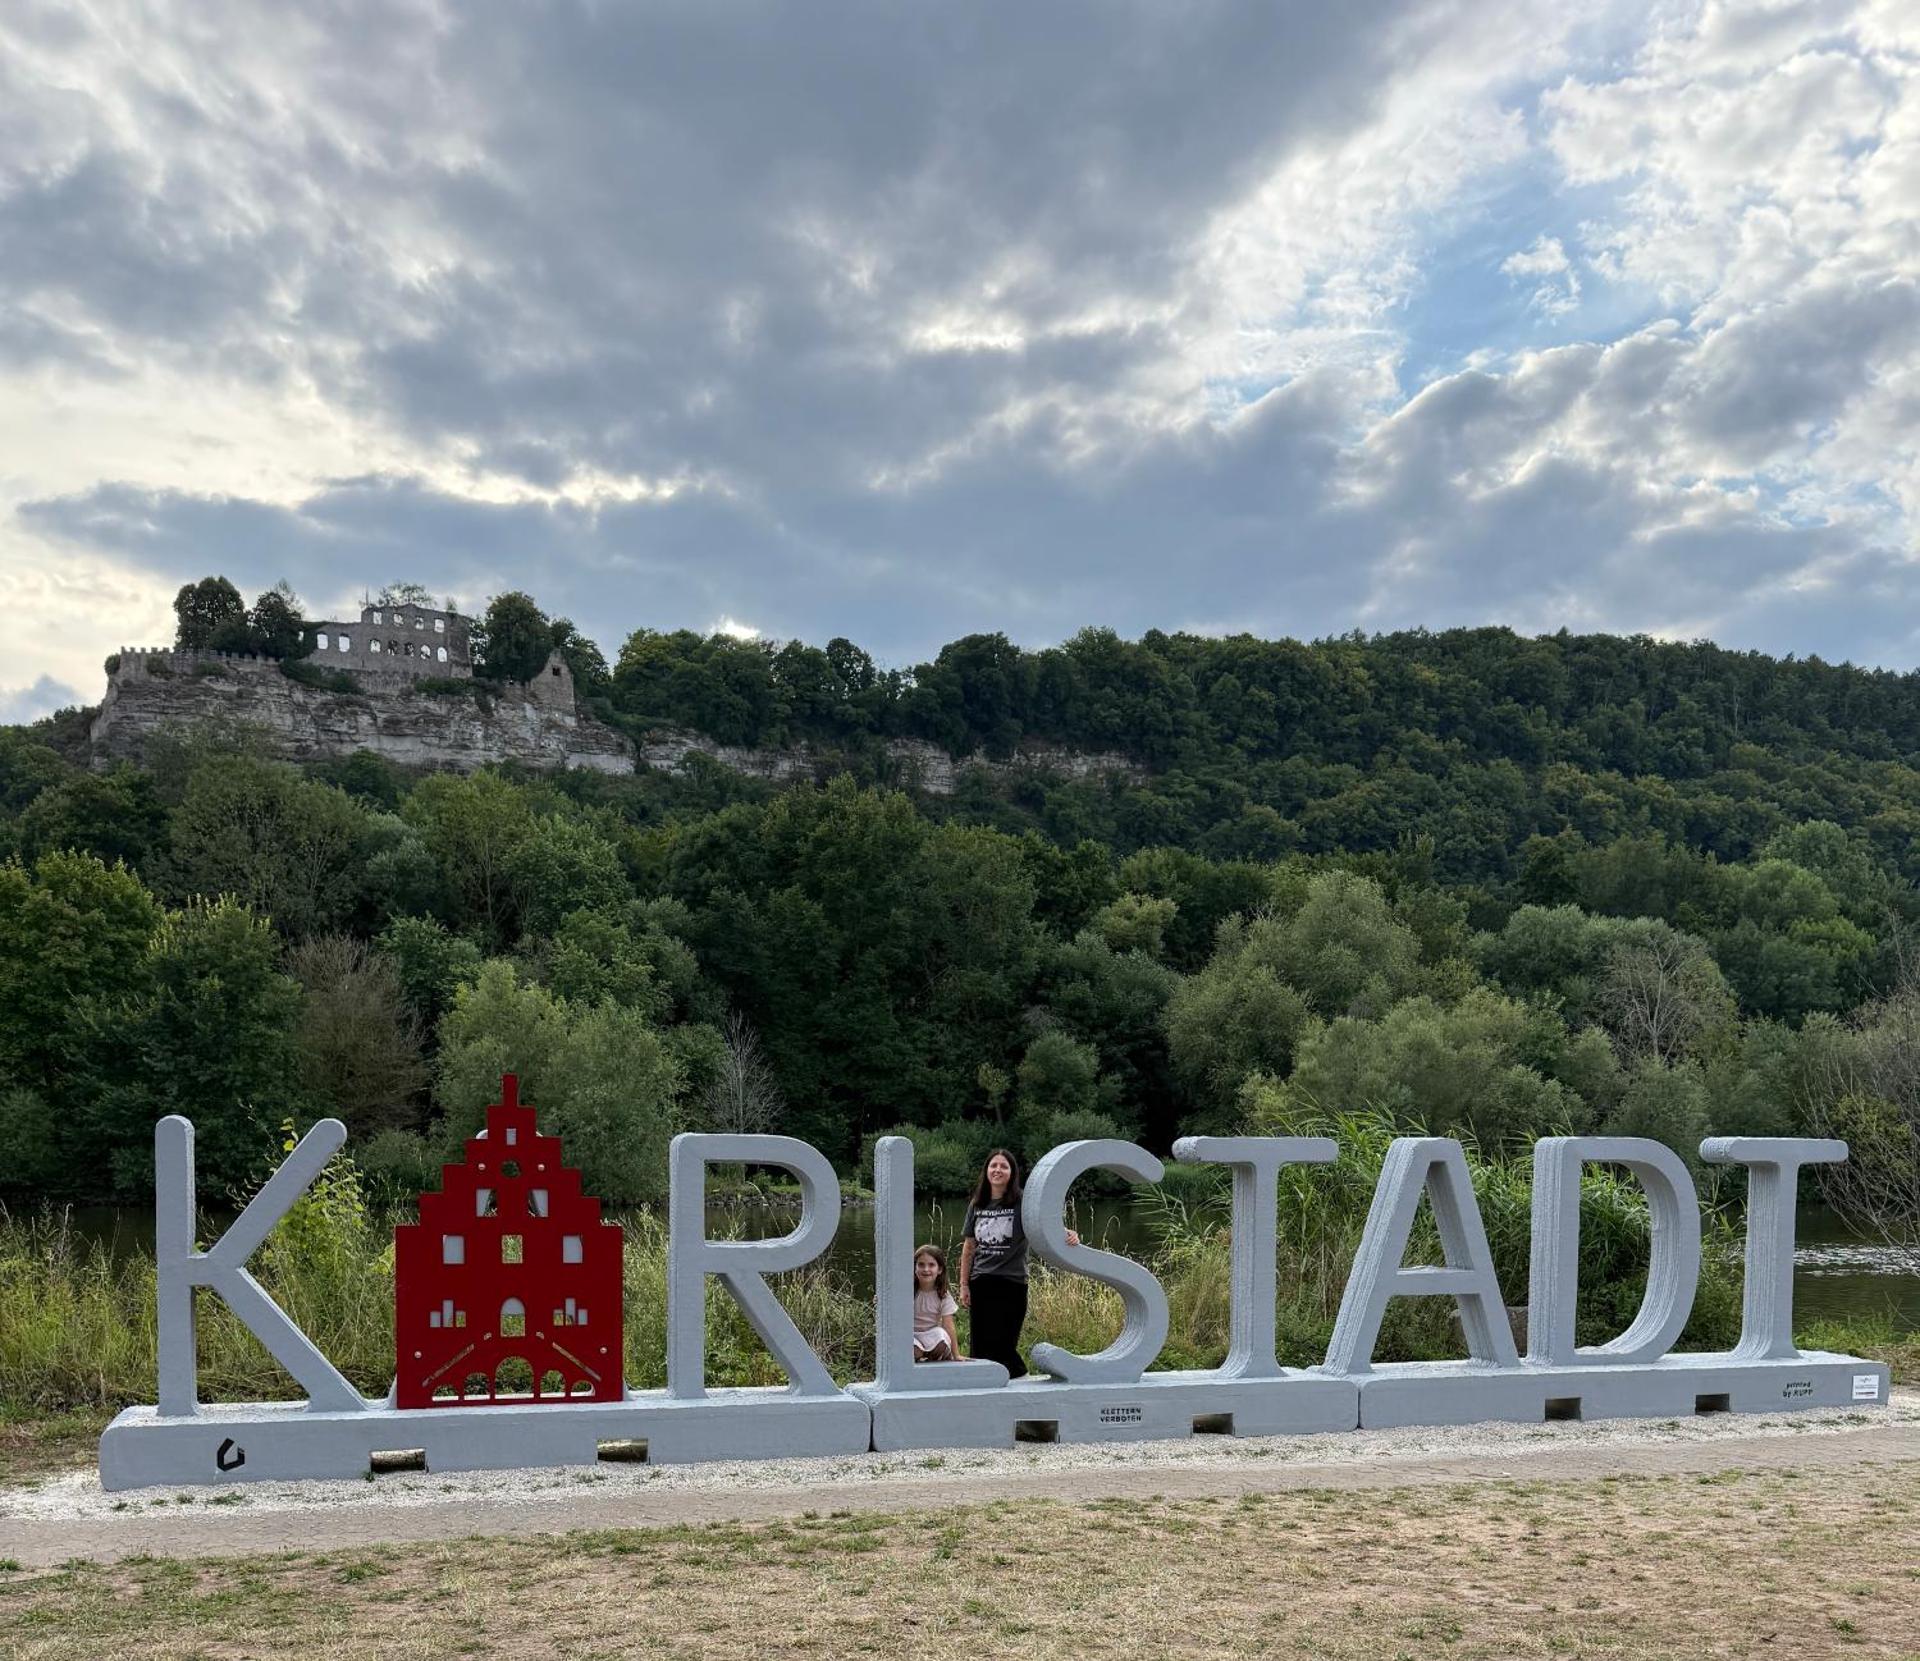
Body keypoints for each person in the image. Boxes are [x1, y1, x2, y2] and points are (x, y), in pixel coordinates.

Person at [957, 1148, 1076, 1378]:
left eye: (1003, 1166)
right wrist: (964, 1284)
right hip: (982, 1281)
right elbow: (969, 1246)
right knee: (981, 1345)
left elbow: (1045, 1226)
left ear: (1012, 1173)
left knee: (1005, 1344)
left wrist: (1068, 1233)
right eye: (993, 1166)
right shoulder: (977, 1204)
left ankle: (1019, 1383)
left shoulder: (1023, 1202)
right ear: (986, 1170)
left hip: (1012, 1282)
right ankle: (985, 1390)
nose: (997, 1170)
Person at [911, 1244, 960, 1362]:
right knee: (912, 1350)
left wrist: (956, 1354)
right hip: (911, 1334)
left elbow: (948, 1325)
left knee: (942, 1338)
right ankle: (920, 1357)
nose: (926, 1269)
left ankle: (932, 1359)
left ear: (939, 1269)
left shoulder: (943, 1295)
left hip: (931, 1333)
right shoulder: (907, 1291)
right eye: (921, 1265)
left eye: (931, 1265)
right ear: (915, 1267)